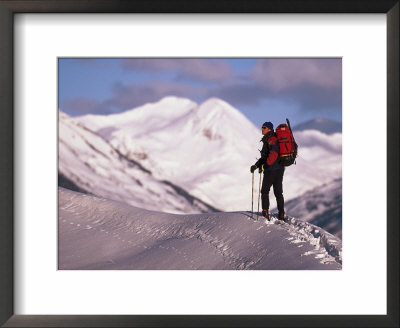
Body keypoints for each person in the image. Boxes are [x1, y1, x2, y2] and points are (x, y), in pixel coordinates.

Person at [250, 121, 285, 220]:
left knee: (265, 191)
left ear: (269, 129)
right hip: (279, 169)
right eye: (262, 127)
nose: (262, 129)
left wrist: (264, 166)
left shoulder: (271, 139)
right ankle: (281, 213)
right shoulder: (270, 139)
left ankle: (265, 212)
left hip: (271, 170)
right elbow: (265, 156)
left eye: (264, 127)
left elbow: (273, 155)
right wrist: (256, 166)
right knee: (278, 192)